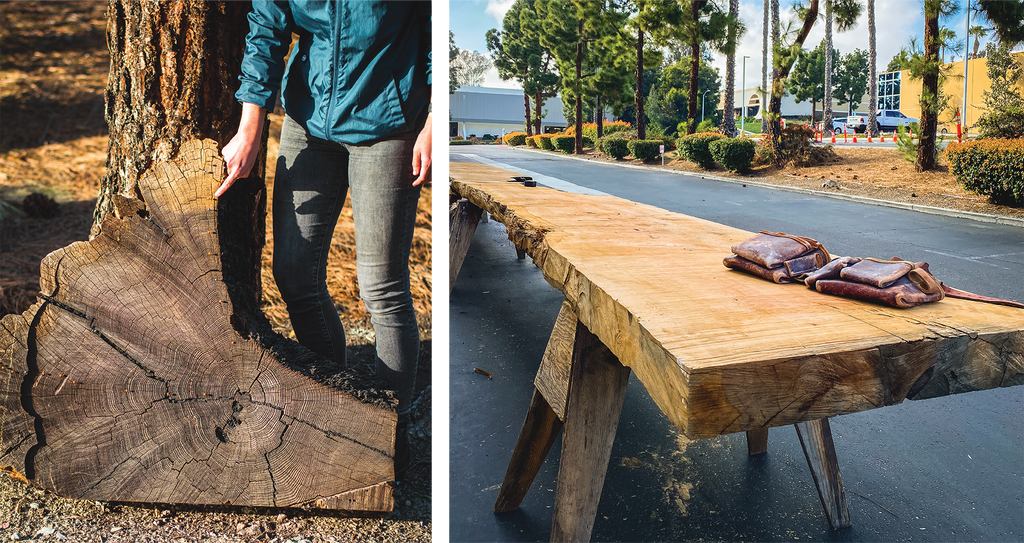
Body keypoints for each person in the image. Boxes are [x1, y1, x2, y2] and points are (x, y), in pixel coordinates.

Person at [216, 0, 435, 479]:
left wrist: (438, 115)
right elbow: (269, 27)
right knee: (293, 274)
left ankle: (390, 440)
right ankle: (339, 415)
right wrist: (251, 121)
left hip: (388, 122)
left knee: (381, 286)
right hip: (309, 121)